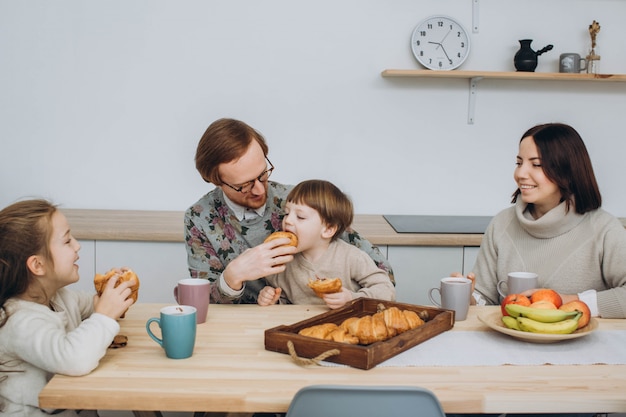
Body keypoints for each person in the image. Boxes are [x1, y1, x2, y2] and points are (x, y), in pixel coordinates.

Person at [185, 118, 394, 304]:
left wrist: (349, 298)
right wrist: (232, 276)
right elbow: (200, 302)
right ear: (216, 181)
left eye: (262, 174)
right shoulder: (200, 218)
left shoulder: (298, 200)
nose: (259, 190)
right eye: (244, 185)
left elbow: (382, 272)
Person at [466, 123, 626, 319]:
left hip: (584, 348)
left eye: (536, 164)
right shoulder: (501, 224)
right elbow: (485, 298)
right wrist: (468, 299)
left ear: (567, 171)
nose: (520, 174)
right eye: (519, 163)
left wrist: (568, 301)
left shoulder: (604, 229)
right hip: (508, 344)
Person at [0, 199, 136, 416]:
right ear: (37, 265)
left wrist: (110, 294)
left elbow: (94, 307)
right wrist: (104, 315)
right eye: (67, 241)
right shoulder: (19, 321)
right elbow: (74, 358)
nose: (77, 245)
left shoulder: (57, 297)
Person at [257, 180, 395, 308]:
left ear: (328, 229)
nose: (288, 221)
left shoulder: (351, 257)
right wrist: (272, 299)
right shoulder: (283, 262)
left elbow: (386, 290)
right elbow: (285, 304)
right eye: (286, 213)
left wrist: (352, 298)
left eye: (300, 217)